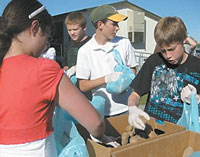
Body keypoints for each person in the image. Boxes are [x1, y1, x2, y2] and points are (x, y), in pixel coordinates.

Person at [0, 0, 119, 156]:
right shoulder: (43, 69)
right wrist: (101, 135)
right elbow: (95, 123)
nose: (45, 46)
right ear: (35, 28)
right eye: (47, 38)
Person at [128, 16, 200, 130]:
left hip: (182, 133)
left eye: (171, 49)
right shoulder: (154, 61)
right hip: (152, 130)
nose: (167, 56)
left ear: (184, 40)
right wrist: (132, 108)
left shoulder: (197, 66)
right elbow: (135, 94)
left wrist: (196, 100)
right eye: (163, 50)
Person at [76, 4, 138, 119]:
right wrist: (106, 79)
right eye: (114, 24)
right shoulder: (85, 51)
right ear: (100, 25)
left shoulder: (124, 43)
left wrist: (124, 81)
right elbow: (83, 86)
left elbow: (133, 69)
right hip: (102, 113)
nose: (117, 28)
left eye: (117, 24)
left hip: (126, 108)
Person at [63, 11, 92, 100]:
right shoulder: (68, 44)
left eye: (75, 29)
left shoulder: (92, 43)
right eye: (69, 30)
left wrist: (77, 68)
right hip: (73, 91)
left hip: (89, 91)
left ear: (84, 28)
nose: (72, 33)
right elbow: (66, 65)